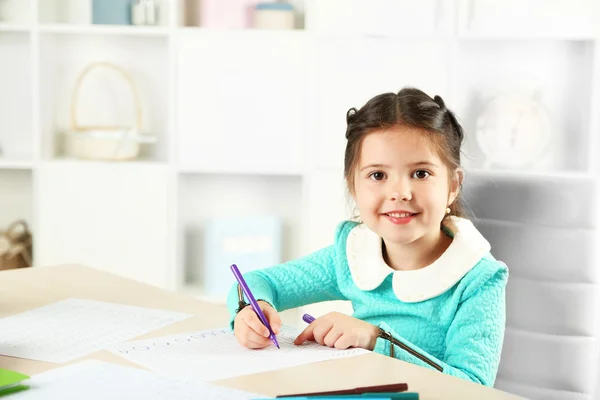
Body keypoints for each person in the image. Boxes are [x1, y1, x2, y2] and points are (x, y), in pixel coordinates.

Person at [226, 87, 508, 387]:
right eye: (377, 175)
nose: (399, 192)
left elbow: (472, 388)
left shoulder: (478, 279)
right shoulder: (353, 255)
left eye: (421, 173)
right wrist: (250, 311)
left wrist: (375, 339)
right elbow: (258, 283)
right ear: (353, 186)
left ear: (453, 185)